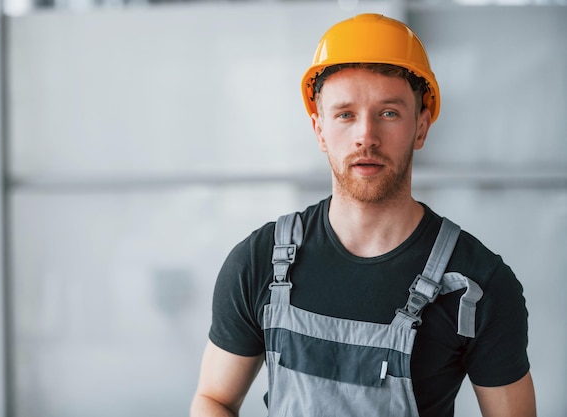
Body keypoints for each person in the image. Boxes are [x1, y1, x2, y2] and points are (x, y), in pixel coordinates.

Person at [190, 13, 536, 417]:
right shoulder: (258, 261)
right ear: (319, 130)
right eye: (345, 114)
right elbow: (213, 399)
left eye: (388, 113)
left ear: (420, 127)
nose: (366, 136)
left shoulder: (477, 286)